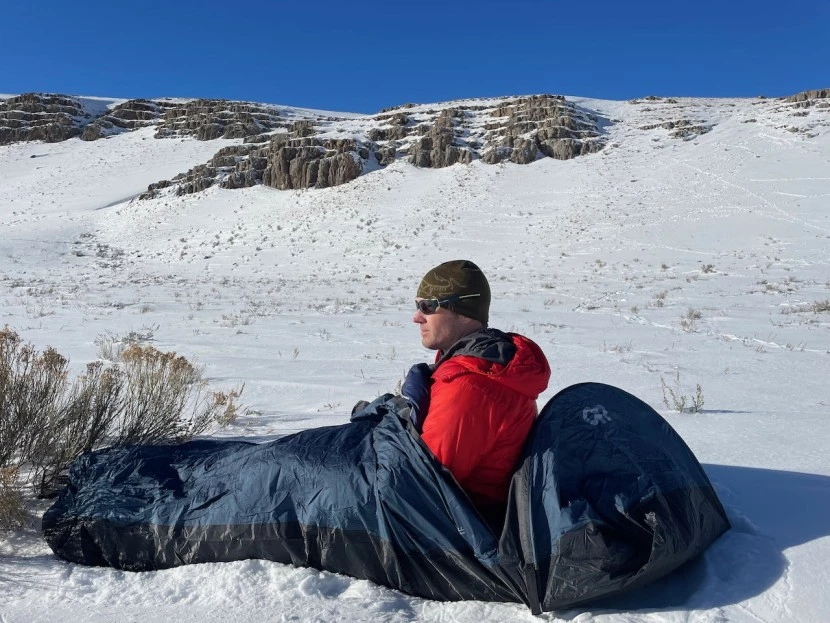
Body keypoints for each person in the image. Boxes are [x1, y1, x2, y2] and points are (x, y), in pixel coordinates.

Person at [402, 260, 551, 528]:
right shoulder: (479, 366)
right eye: (417, 306)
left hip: (463, 529)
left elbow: (422, 483)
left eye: (428, 306)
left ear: (463, 311)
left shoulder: (472, 385)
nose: (417, 317)